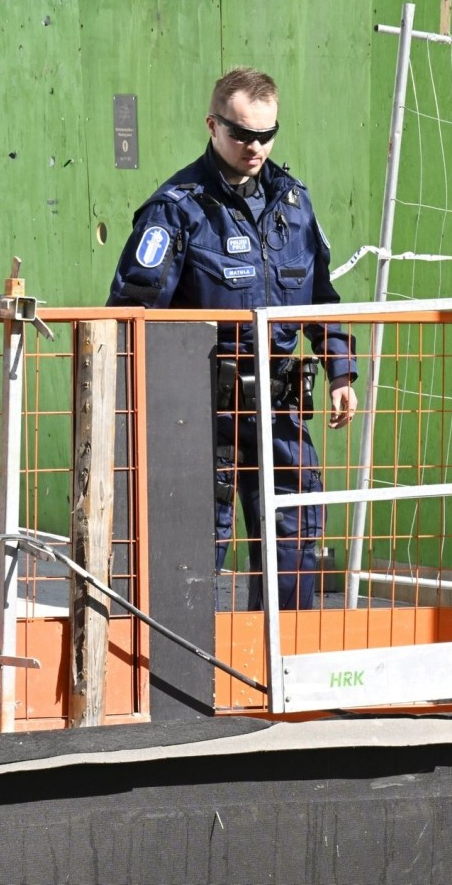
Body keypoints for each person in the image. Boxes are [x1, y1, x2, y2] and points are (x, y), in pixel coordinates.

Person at [107, 66, 356, 611]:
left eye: (267, 135)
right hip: (205, 416)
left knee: (293, 542)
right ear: (213, 126)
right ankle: (183, 678)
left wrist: (339, 370)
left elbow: (320, 295)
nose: (255, 147)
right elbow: (129, 315)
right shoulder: (177, 209)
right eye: (242, 133)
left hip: (283, 410)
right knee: (196, 550)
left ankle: (283, 675)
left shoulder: (293, 206)